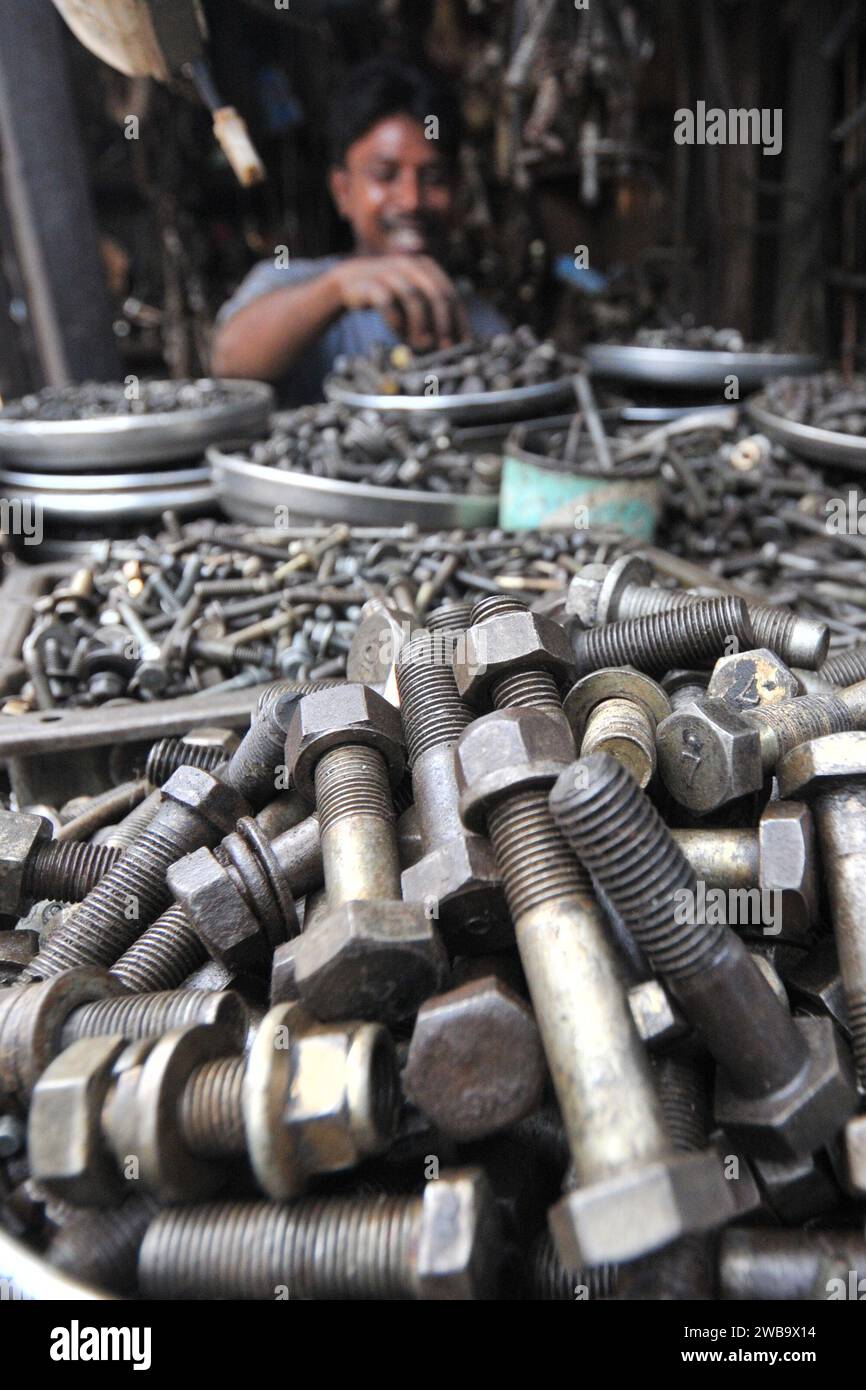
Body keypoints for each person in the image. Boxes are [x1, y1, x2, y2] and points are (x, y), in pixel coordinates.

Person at [211, 58, 507, 405]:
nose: (411, 200)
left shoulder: (481, 323)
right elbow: (229, 361)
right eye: (385, 175)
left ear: (457, 194)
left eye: (433, 178)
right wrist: (336, 288)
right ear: (343, 191)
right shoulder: (287, 284)